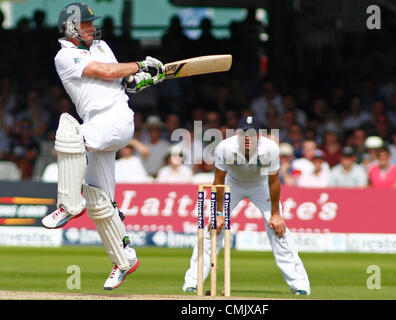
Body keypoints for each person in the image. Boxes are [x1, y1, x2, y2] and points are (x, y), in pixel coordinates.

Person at [40, 2, 165, 290]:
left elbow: (116, 76)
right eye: (85, 24)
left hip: (116, 120)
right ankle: (124, 259)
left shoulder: (101, 45)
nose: (92, 28)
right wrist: (140, 68)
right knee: (100, 201)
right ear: (71, 27)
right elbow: (107, 72)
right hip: (99, 126)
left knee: (69, 134)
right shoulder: (65, 56)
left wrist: (135, 80)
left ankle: (69, 204)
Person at [182, 116, 311, 296]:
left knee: (278, 229)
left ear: (259, 135)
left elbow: (274, 181)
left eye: (252, 133)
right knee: (213, 228)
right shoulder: (226, 147)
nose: (247, 137)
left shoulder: (270, 148)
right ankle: (193, 282)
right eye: (243, 133)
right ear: (237, 134)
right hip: (232, 184)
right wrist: (218, 213)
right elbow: (218, 179)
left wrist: (276, 214)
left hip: (261, 185)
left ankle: (299, 284)